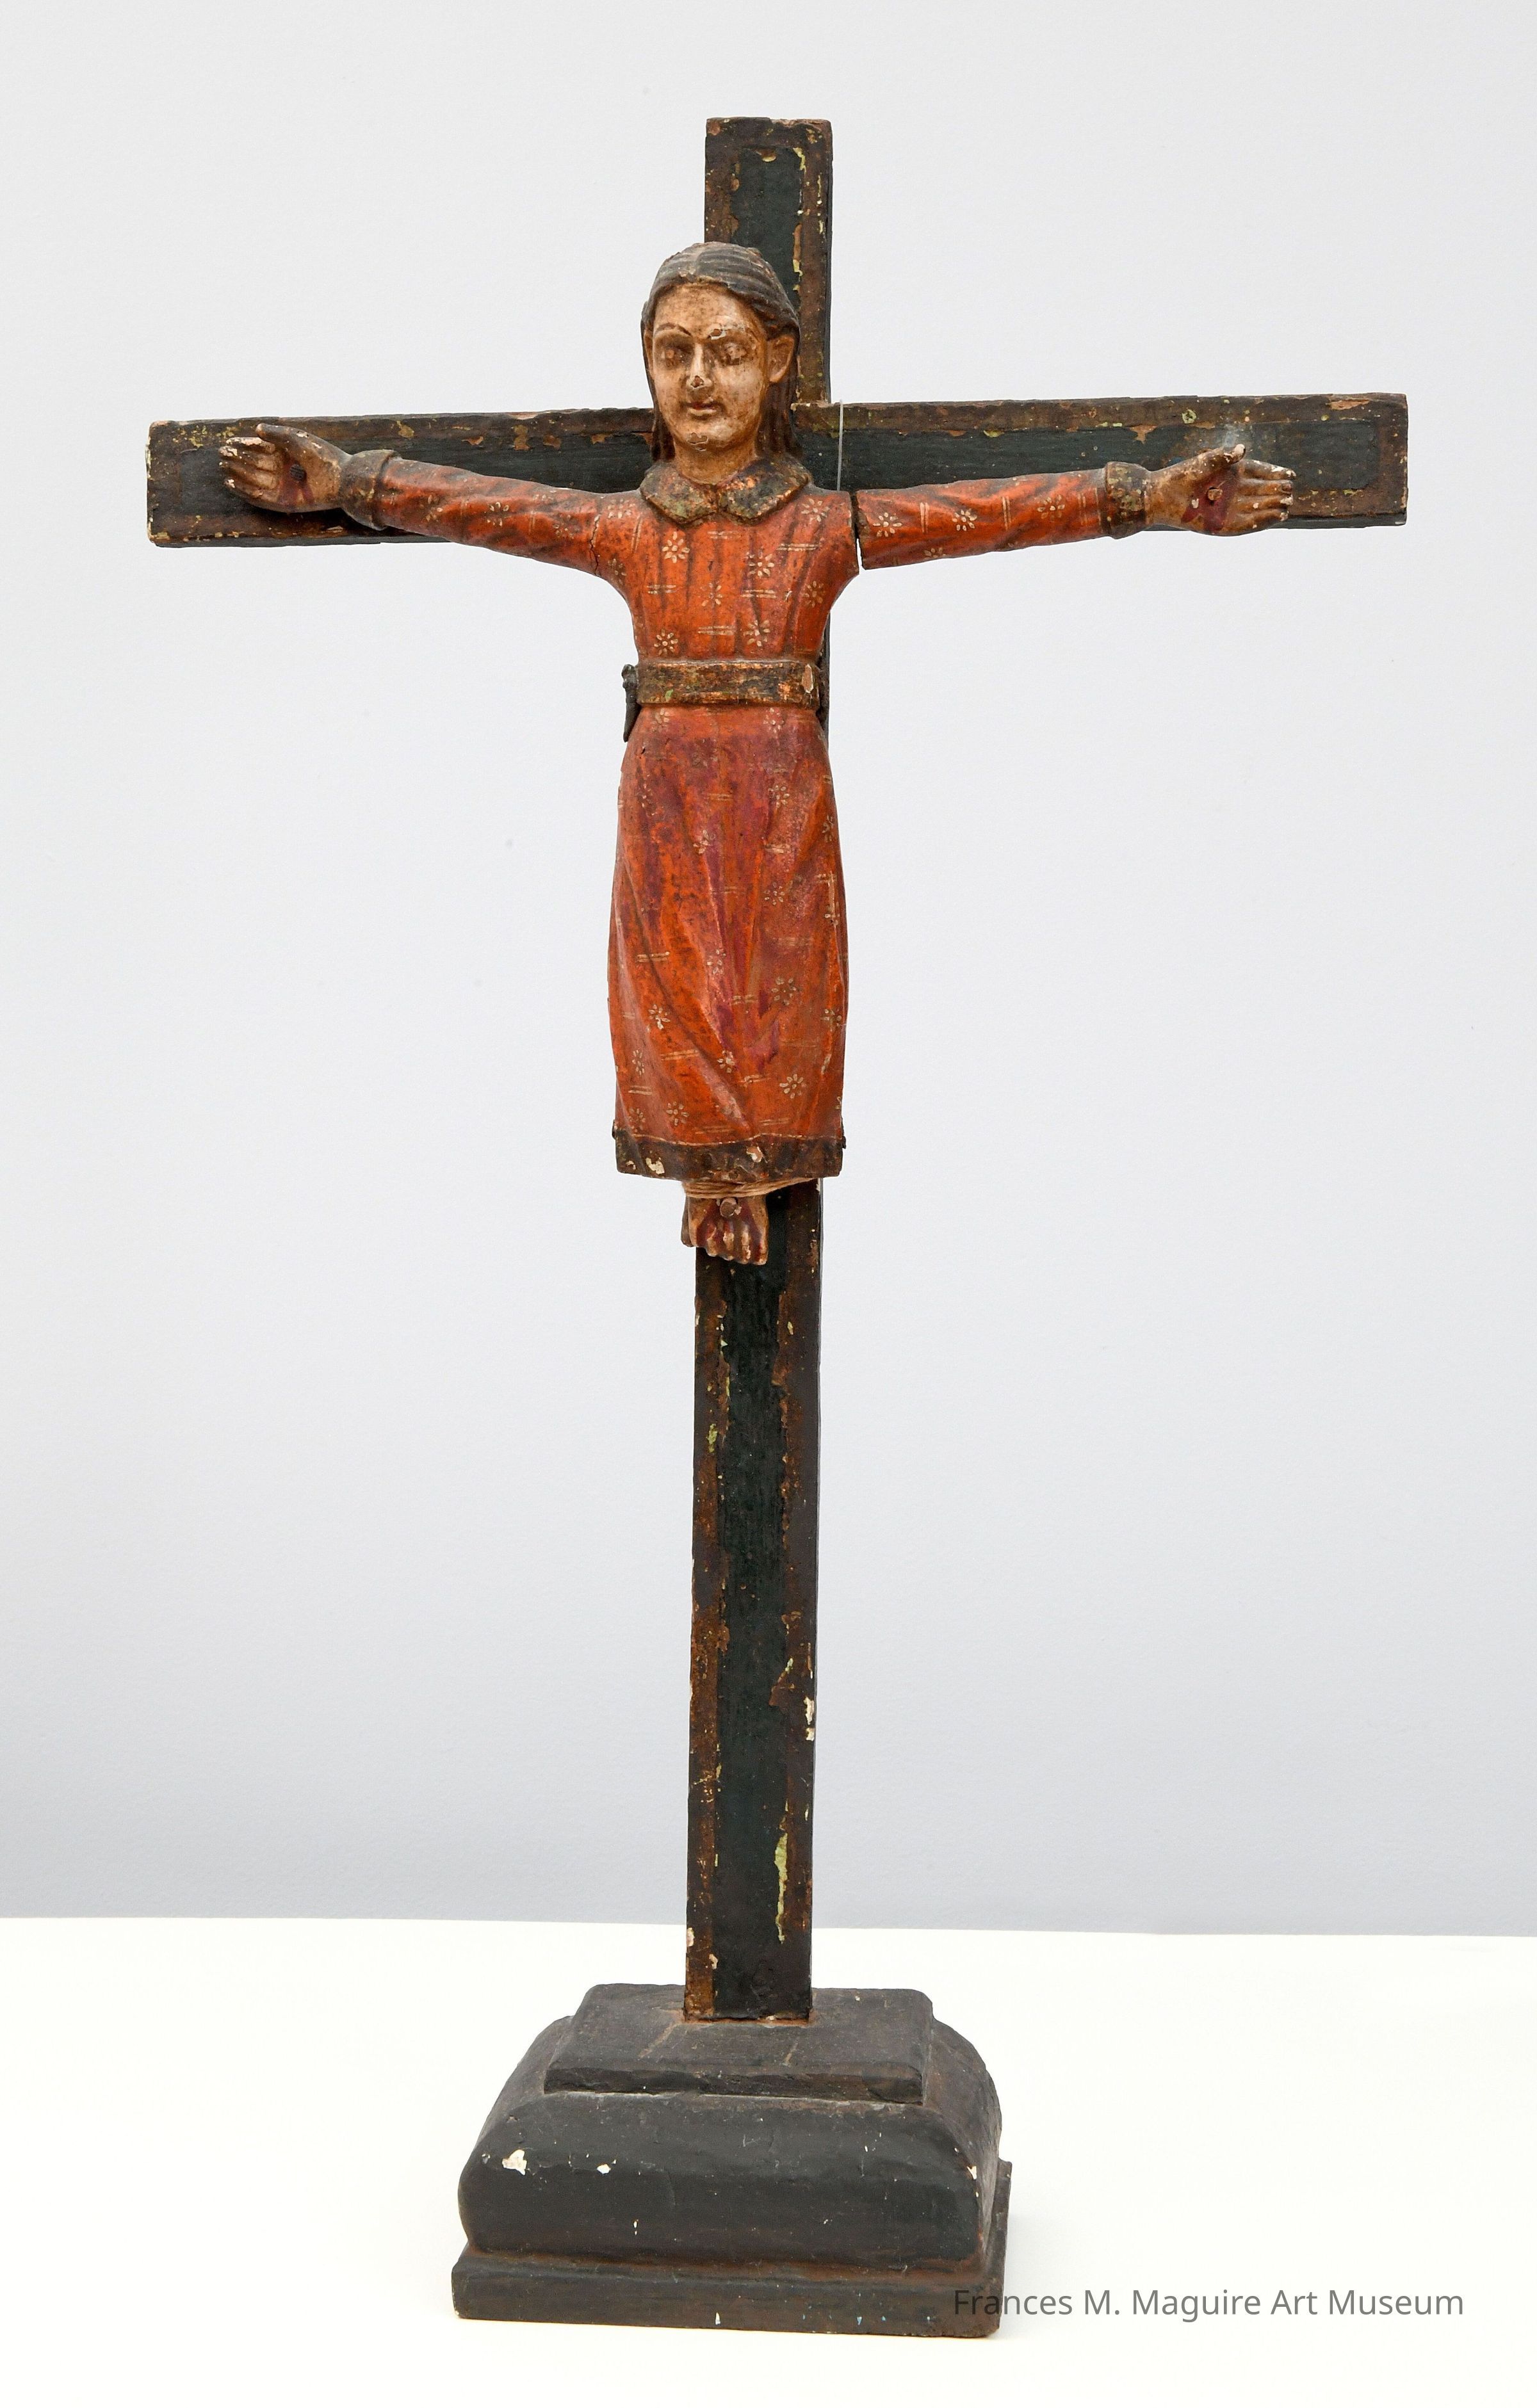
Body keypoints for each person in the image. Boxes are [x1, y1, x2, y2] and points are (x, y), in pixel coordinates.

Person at [222, 243, 1294, 1263]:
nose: (699, 379)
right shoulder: (625, 529)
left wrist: (1147, 496)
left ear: (777, 360)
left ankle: (763, 1159)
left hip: (780, 791)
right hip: (666, 794)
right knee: (676, 976)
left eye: (727, 352)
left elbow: (978, 512)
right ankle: (707, 1170)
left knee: (781, 981)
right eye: (674, 351)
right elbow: (487, 507)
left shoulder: (819, 528)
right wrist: (348, 481)